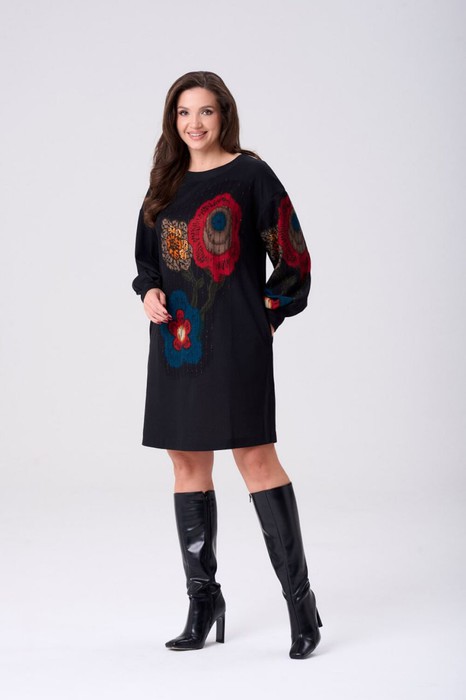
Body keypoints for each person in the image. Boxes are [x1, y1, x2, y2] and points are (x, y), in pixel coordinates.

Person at [132, 70, 322, 660]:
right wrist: (148, 291)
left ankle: (301, 604)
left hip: (236, 341)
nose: (194, 123)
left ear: (224, 116)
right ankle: (203, 600)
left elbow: (293, 255)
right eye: (184, 112)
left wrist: (269, 313)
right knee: (186, 462)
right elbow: (147, 261)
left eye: (206, 111)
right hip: (178, 341)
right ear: (173, 120)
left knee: (255, 458)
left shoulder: (251, 175)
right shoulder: (164, 182)